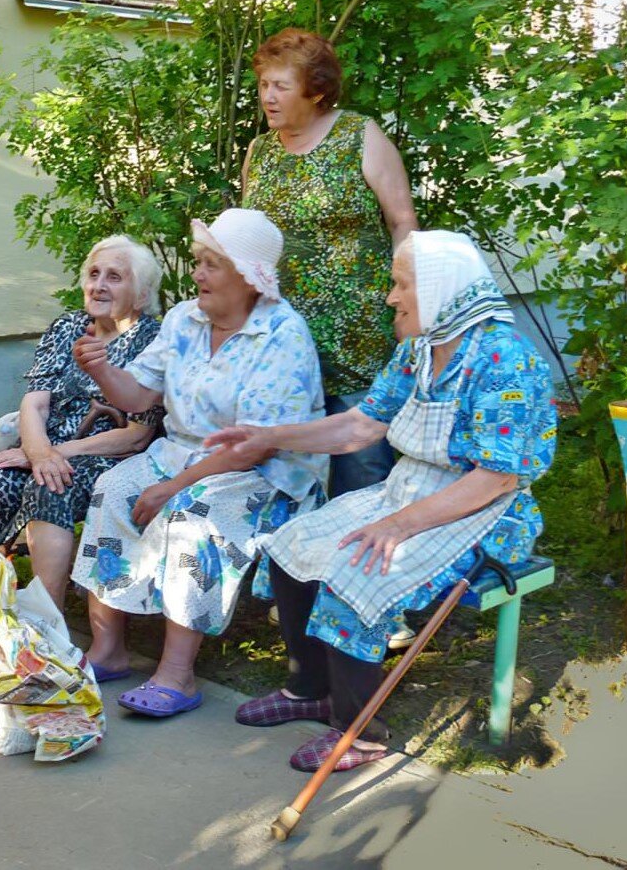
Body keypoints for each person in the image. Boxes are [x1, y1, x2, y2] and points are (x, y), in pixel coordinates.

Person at [206, 231, 557, 771]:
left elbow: (496, 479)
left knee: (358, 568)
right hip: (410, 491)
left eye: (401, 284)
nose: (392, 297)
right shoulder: (420, 348)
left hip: (486, 515)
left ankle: (360, 732)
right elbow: (359, 425)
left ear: (440, 287)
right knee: (290, 544)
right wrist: (270, 436)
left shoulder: (506, 360)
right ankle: (312, 690)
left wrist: (398, 526)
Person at [69, 208, 327, 715]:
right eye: (198, 262)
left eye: (212, 265)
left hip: (262, 471)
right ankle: (109, 649)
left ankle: (177, 675)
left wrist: (173, 487)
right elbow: (140, 395)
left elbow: (258, 445)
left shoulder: (283, 335)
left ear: (249, 278)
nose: (198, 274)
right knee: (115, 488)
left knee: (192, 517)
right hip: (182, 452)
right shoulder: (183, 319)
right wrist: (101, 371)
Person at [242, 26, 421, 648]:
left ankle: (376, 602)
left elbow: (403, 222)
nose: (266, 96)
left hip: (360, 332)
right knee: (291, 460)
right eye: (263, 84)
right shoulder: (261, 152)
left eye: (279, 85)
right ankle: (299, 589)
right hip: (284, 338)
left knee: (361, 461)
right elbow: (250, 240)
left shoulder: (359, 136)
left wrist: (408, 304)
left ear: (316, 92)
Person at [0, 236, 163, 609]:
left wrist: (49, 456)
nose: (99, 285)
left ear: (141, 294)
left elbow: (137, 435)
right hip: (46, 448)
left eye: (115, 277)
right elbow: (35, 402)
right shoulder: (67, 326)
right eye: (94, 274)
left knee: (51, 485)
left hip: (110, 458)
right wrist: (37, 451)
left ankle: (47, 616)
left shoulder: (152, 339)